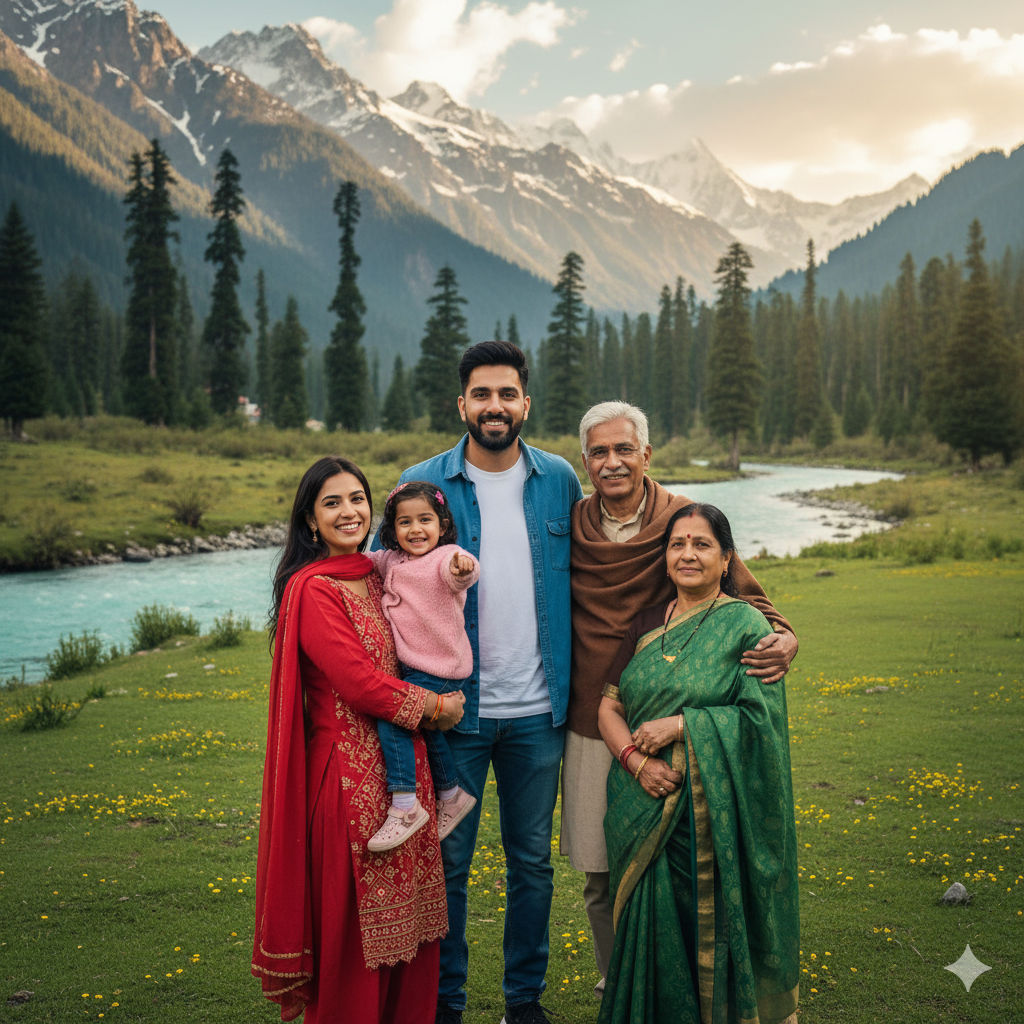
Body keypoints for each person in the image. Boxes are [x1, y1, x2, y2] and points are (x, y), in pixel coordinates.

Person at [375, 341, 583, 1024]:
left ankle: (524, 1003)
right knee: (447, 868)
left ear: (526, 402)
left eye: (507, 394)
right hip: (450, 715)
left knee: (532, 866)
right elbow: (383, 580)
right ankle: (447, 1006)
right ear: (461, 403)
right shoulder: (422, 485)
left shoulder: (558, 479)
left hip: (537, 714)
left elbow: (598, 567)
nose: (495, 406)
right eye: (482, 394)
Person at [565, 401, 797, 997]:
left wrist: (787, 637)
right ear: (584, 460)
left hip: (671, 722)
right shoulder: (571, 523)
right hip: (596, 717)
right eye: (599, 452)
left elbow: (751, 603)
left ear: (646, 454)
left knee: (695, 865)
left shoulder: (681, 520)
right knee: (600, 868)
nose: (612, 463)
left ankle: (688, 984)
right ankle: (620, 982)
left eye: (624, 449)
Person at [252, 455, 466, 1024]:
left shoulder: (379, 572)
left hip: (405, 777)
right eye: (332, 502)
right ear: (309, 521)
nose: (349, 512)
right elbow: (357, 682)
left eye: (356, 499)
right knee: (356, 937)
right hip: (349, 784)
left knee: (411, 930)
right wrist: (435, 707)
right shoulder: (315, 589)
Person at [596, 502, 799, 1024]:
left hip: (709, 813)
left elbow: (759, 720)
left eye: (702, 544)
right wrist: (637, 763)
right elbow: (609, 706)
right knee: (648, 918)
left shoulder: (745, 624)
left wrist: (683, 725)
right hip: (640, 797)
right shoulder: (644, 623)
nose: (688, 555)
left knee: (705, 923)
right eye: (678, 544)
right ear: (665, 556)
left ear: (727, 559)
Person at [366, 480, 480, 852]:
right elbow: (362, 562)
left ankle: (404, 805)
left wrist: (464, 567)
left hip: (438, 665)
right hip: (420, 667)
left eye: (425, 520)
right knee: (429, 731)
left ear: (442, 525)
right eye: (405, 522)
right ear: (392, 529)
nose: (416, 529)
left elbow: (461, 571)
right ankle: (451, 795)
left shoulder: (444, 558)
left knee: (393, 716)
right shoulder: (391, 558)